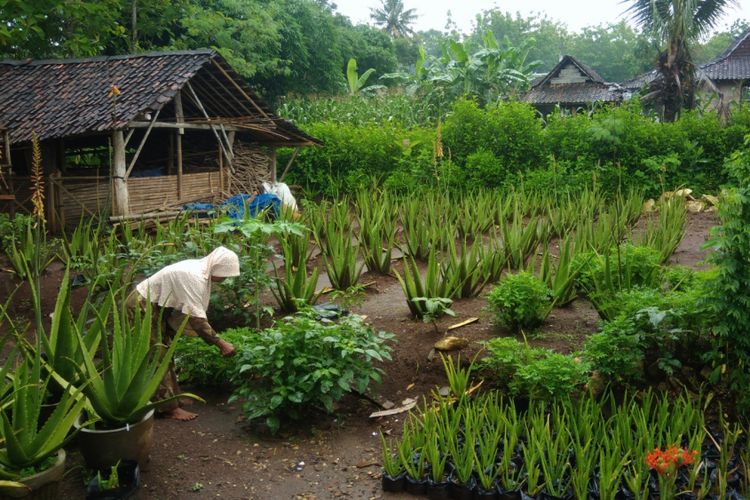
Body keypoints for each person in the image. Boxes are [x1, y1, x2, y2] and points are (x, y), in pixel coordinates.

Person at [127, 246, 240, 421]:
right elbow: (196, 319)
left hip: (155, 308)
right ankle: (167, 408)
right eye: (224, 274)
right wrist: (221, 343)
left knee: (166, 351)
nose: (225, 279)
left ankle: (173, 397)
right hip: (141, 307)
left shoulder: (201, 271)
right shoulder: (193, 277)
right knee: (156, 355)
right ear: (216, 267)